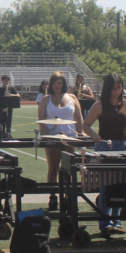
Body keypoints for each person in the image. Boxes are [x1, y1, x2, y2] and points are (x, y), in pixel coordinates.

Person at [83, 74, 126, 232]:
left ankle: (117, 222)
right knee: (106, 185)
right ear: (107, 88)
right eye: (114, 88)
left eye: (119, 87)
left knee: (121, 184)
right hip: (105, 147)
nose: (117, 91)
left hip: (123, 146)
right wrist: (95, 136)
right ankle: (105, 223)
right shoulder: (100, 105)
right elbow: (86, 125)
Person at [39, 73, 84, 209]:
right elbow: (41, 120)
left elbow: (79, 117)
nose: (57, 86)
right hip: (52, 138)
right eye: (54, 83)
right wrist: (46, 136)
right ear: (50, 85)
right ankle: (53, 197)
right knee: (53, 168)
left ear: (63, 84)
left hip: (70, 138)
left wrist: (81, 134)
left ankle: (68, 196)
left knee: (68, 169)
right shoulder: (46, 99)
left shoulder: (72, 97)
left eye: (59, 83)